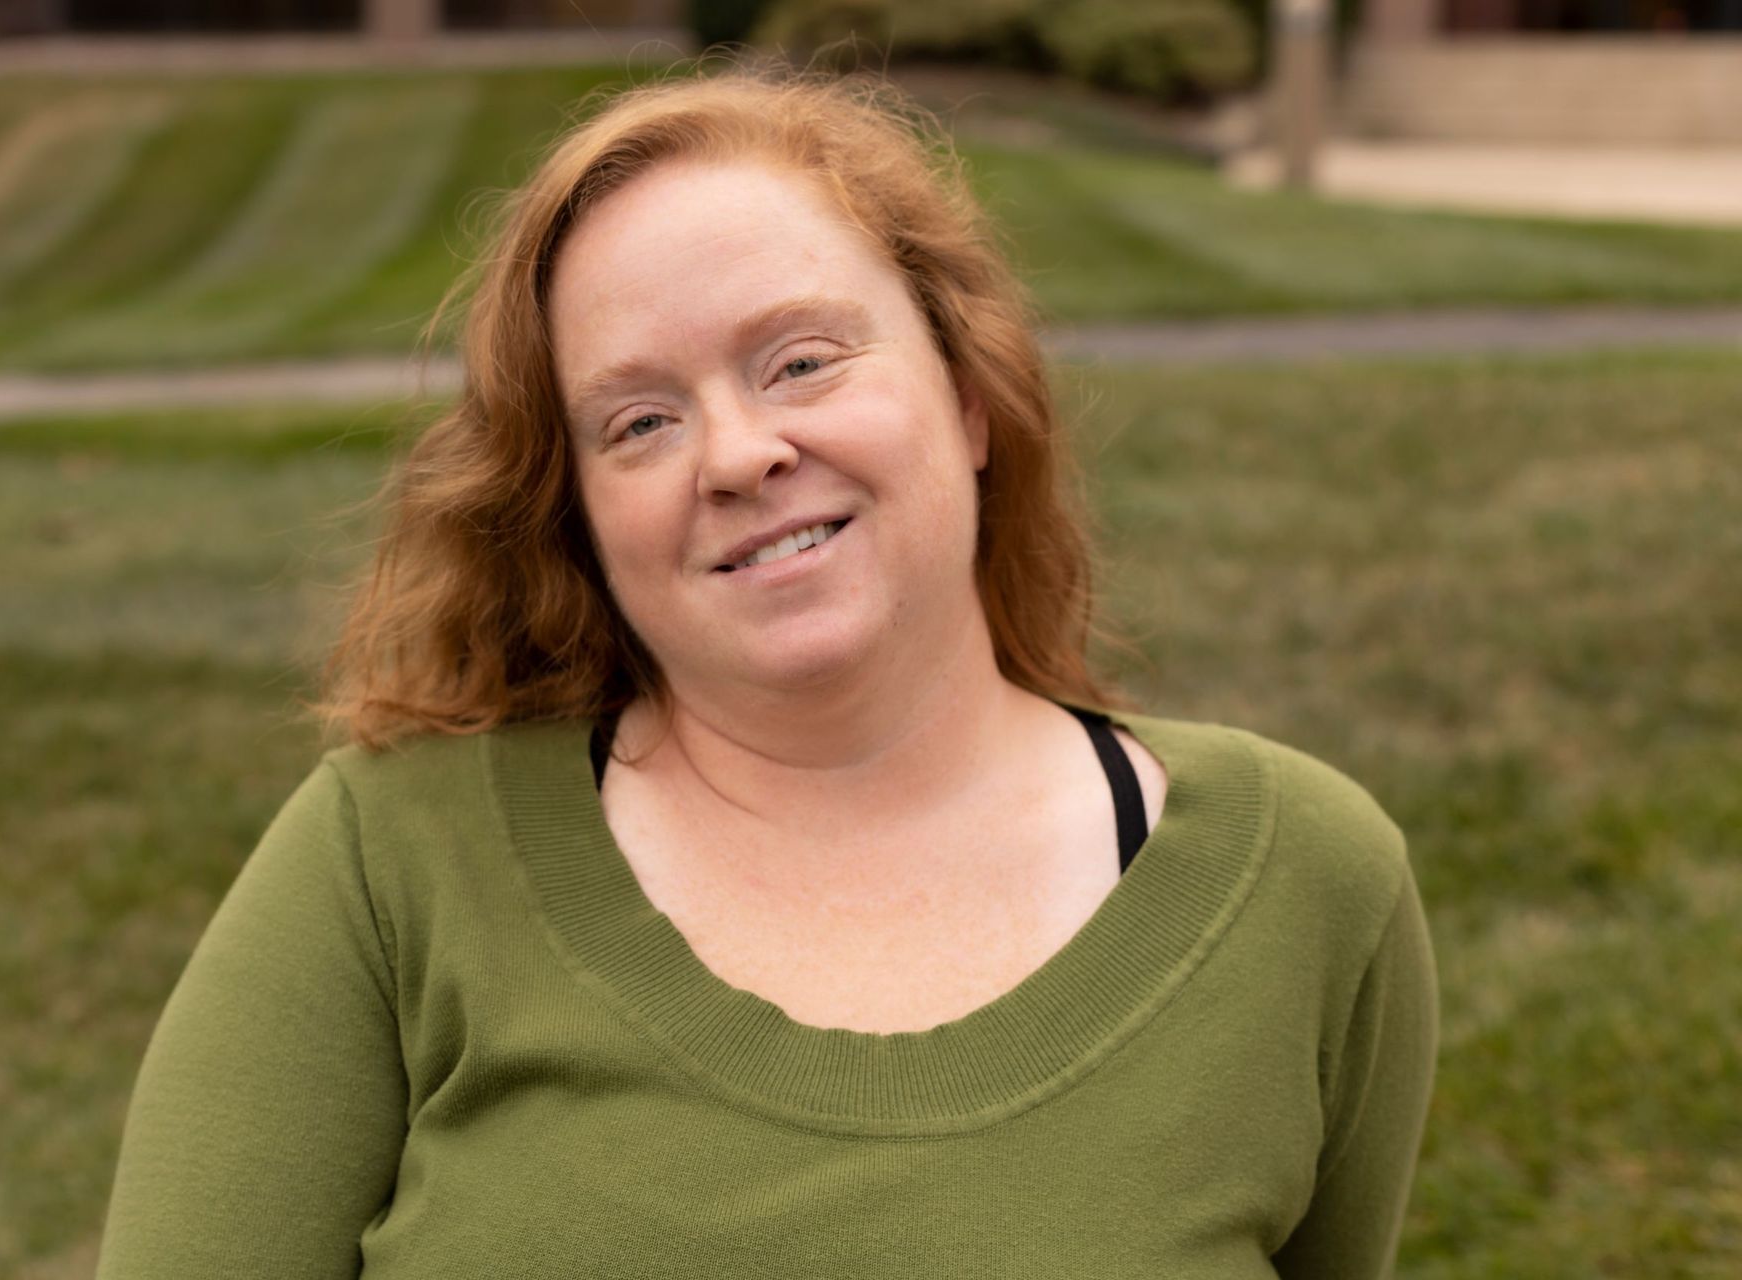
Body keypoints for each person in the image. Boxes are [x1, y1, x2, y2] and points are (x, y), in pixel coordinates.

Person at [94, 59, 1437, 1279]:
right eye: (641, 421)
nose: (737, 455)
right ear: (580, 517)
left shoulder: (1304, 885)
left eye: (800, 360)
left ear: (971, 397)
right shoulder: (391, 864)